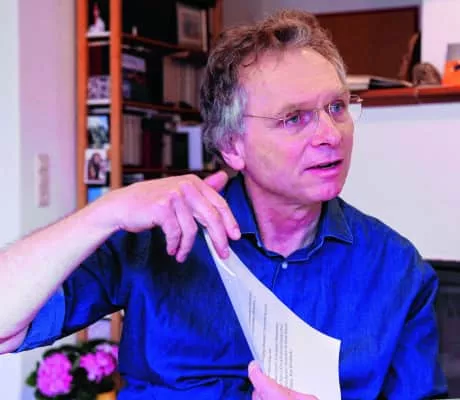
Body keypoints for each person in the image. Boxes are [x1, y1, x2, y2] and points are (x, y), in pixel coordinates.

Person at [0, 9, 447, 399]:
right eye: (294, 118)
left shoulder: (397, 269)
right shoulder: (158, 238)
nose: (330, 135)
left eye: (337, 107)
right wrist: (107, 211)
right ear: (232, 146)